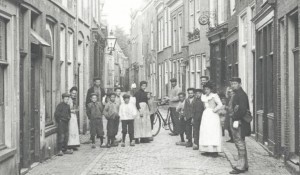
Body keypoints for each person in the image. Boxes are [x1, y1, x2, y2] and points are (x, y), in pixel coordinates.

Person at [229, 77, 251, 174]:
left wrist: (234, 117)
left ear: (240, 84)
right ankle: (244, 164)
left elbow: (242, 110)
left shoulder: (241, 95)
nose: (233, 85)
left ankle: (240, 166)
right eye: (232, 83)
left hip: (239, 122)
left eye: (235, 83)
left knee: (239, 142)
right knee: (240, 142)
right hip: (238, 120)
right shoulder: (237, 94)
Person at [199, 82, 223, 157]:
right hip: (206, 115)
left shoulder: (214, 96)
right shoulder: (204, 96)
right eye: (205, 89)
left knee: (213, 132)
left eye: (207, 89)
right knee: (206, 131)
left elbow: (220, 104)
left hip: (213, 116)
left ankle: (214, 151)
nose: (206, 90)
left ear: (211, 89)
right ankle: (207, 150)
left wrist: (214, 110)